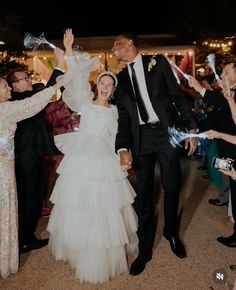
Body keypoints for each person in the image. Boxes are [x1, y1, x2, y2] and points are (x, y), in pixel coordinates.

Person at [47, 29, 138, 284]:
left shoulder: (115, 111)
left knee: (104, 207)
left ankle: (101, 253)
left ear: (114, 89)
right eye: (103, 84)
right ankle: (80, 249)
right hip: (82, 155)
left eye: (110, 85)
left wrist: (121, 156)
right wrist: (68, 51)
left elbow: (117, 138)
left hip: (103, 157)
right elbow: (75, 79)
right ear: (97, 85)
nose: (106, 88)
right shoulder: (85, 102)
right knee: (79, 205)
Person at [111, 32, 198, 276]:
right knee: (145, 193)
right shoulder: (120, 79)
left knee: (171, 186)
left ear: (129, 43)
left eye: (116, 44)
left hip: (165, 132)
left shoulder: (157, 62)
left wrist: (191, 128)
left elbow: (176, 97)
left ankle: (171, 232)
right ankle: (144, 248)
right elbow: (124, 119)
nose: (113, 48)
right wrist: (122, 148)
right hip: (140, 139)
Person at [0, 74, 70, 278]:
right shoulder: (6, 109)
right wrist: (59, 82)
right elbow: (35, 103)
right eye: (5, 86)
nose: (9, 90)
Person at [6, 47, 65, 254]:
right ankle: (25, 239)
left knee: (34, 196)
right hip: (26, 157)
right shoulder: (18, 103)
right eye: (24, 78)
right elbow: (49, 89)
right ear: (14, 86)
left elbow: (47, 90)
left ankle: (25, 235)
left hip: (33, 154)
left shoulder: (28, 97)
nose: (29, 79)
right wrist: (59, 62)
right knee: (29, 197)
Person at [188, 61, 236, 247]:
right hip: (226, 148)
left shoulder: (230, 95)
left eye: (226, 71)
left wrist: (200, 89)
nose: (222, 74)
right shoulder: (225, 94)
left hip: (233, 148)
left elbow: (221, 101)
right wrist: (194, 129)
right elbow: (213, 118)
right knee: (230, 182)